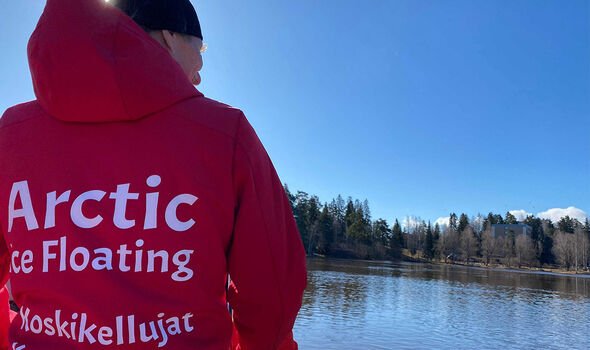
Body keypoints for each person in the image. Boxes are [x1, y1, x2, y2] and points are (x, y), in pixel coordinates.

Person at [0, 0, 307, 349]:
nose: (201, 68)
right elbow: (271, 292)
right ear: (170, 36)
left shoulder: (8, 135)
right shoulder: (225, 135)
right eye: (201, 47)